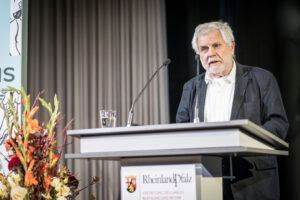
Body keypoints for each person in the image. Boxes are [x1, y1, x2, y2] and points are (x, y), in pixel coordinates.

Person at [176, 21, 289, 200]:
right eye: (204, 49)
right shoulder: (191, 88)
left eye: (216, 45)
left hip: (253, 179)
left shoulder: (261, 79)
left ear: (232, 46)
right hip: (207, 179)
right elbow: (181, 130)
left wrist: (244, 141)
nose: (211, 53)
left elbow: (278, 124)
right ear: (198, 55)